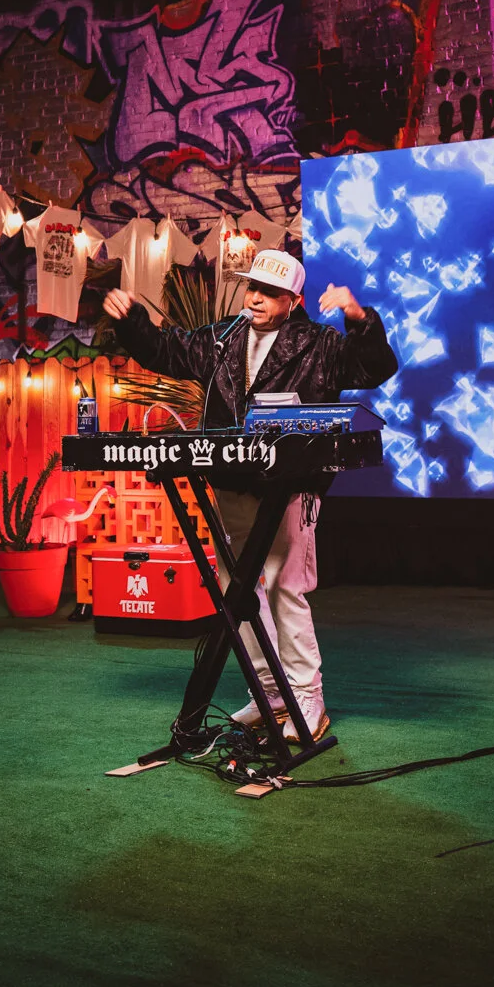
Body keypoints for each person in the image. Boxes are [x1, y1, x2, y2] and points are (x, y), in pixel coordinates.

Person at [103, 248, 398, 742]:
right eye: (252, 287)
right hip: (233, 480)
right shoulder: (222, 337)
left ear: (294, 300)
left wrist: (358, 318)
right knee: (236, 588)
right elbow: (167, 350)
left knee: (285, 585)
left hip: (290, 487)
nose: (256, 297)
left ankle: (308, 697)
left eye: (270, 292)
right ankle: (272, 693)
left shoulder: (321, 343)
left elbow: (374, 368)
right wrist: (133, 318)